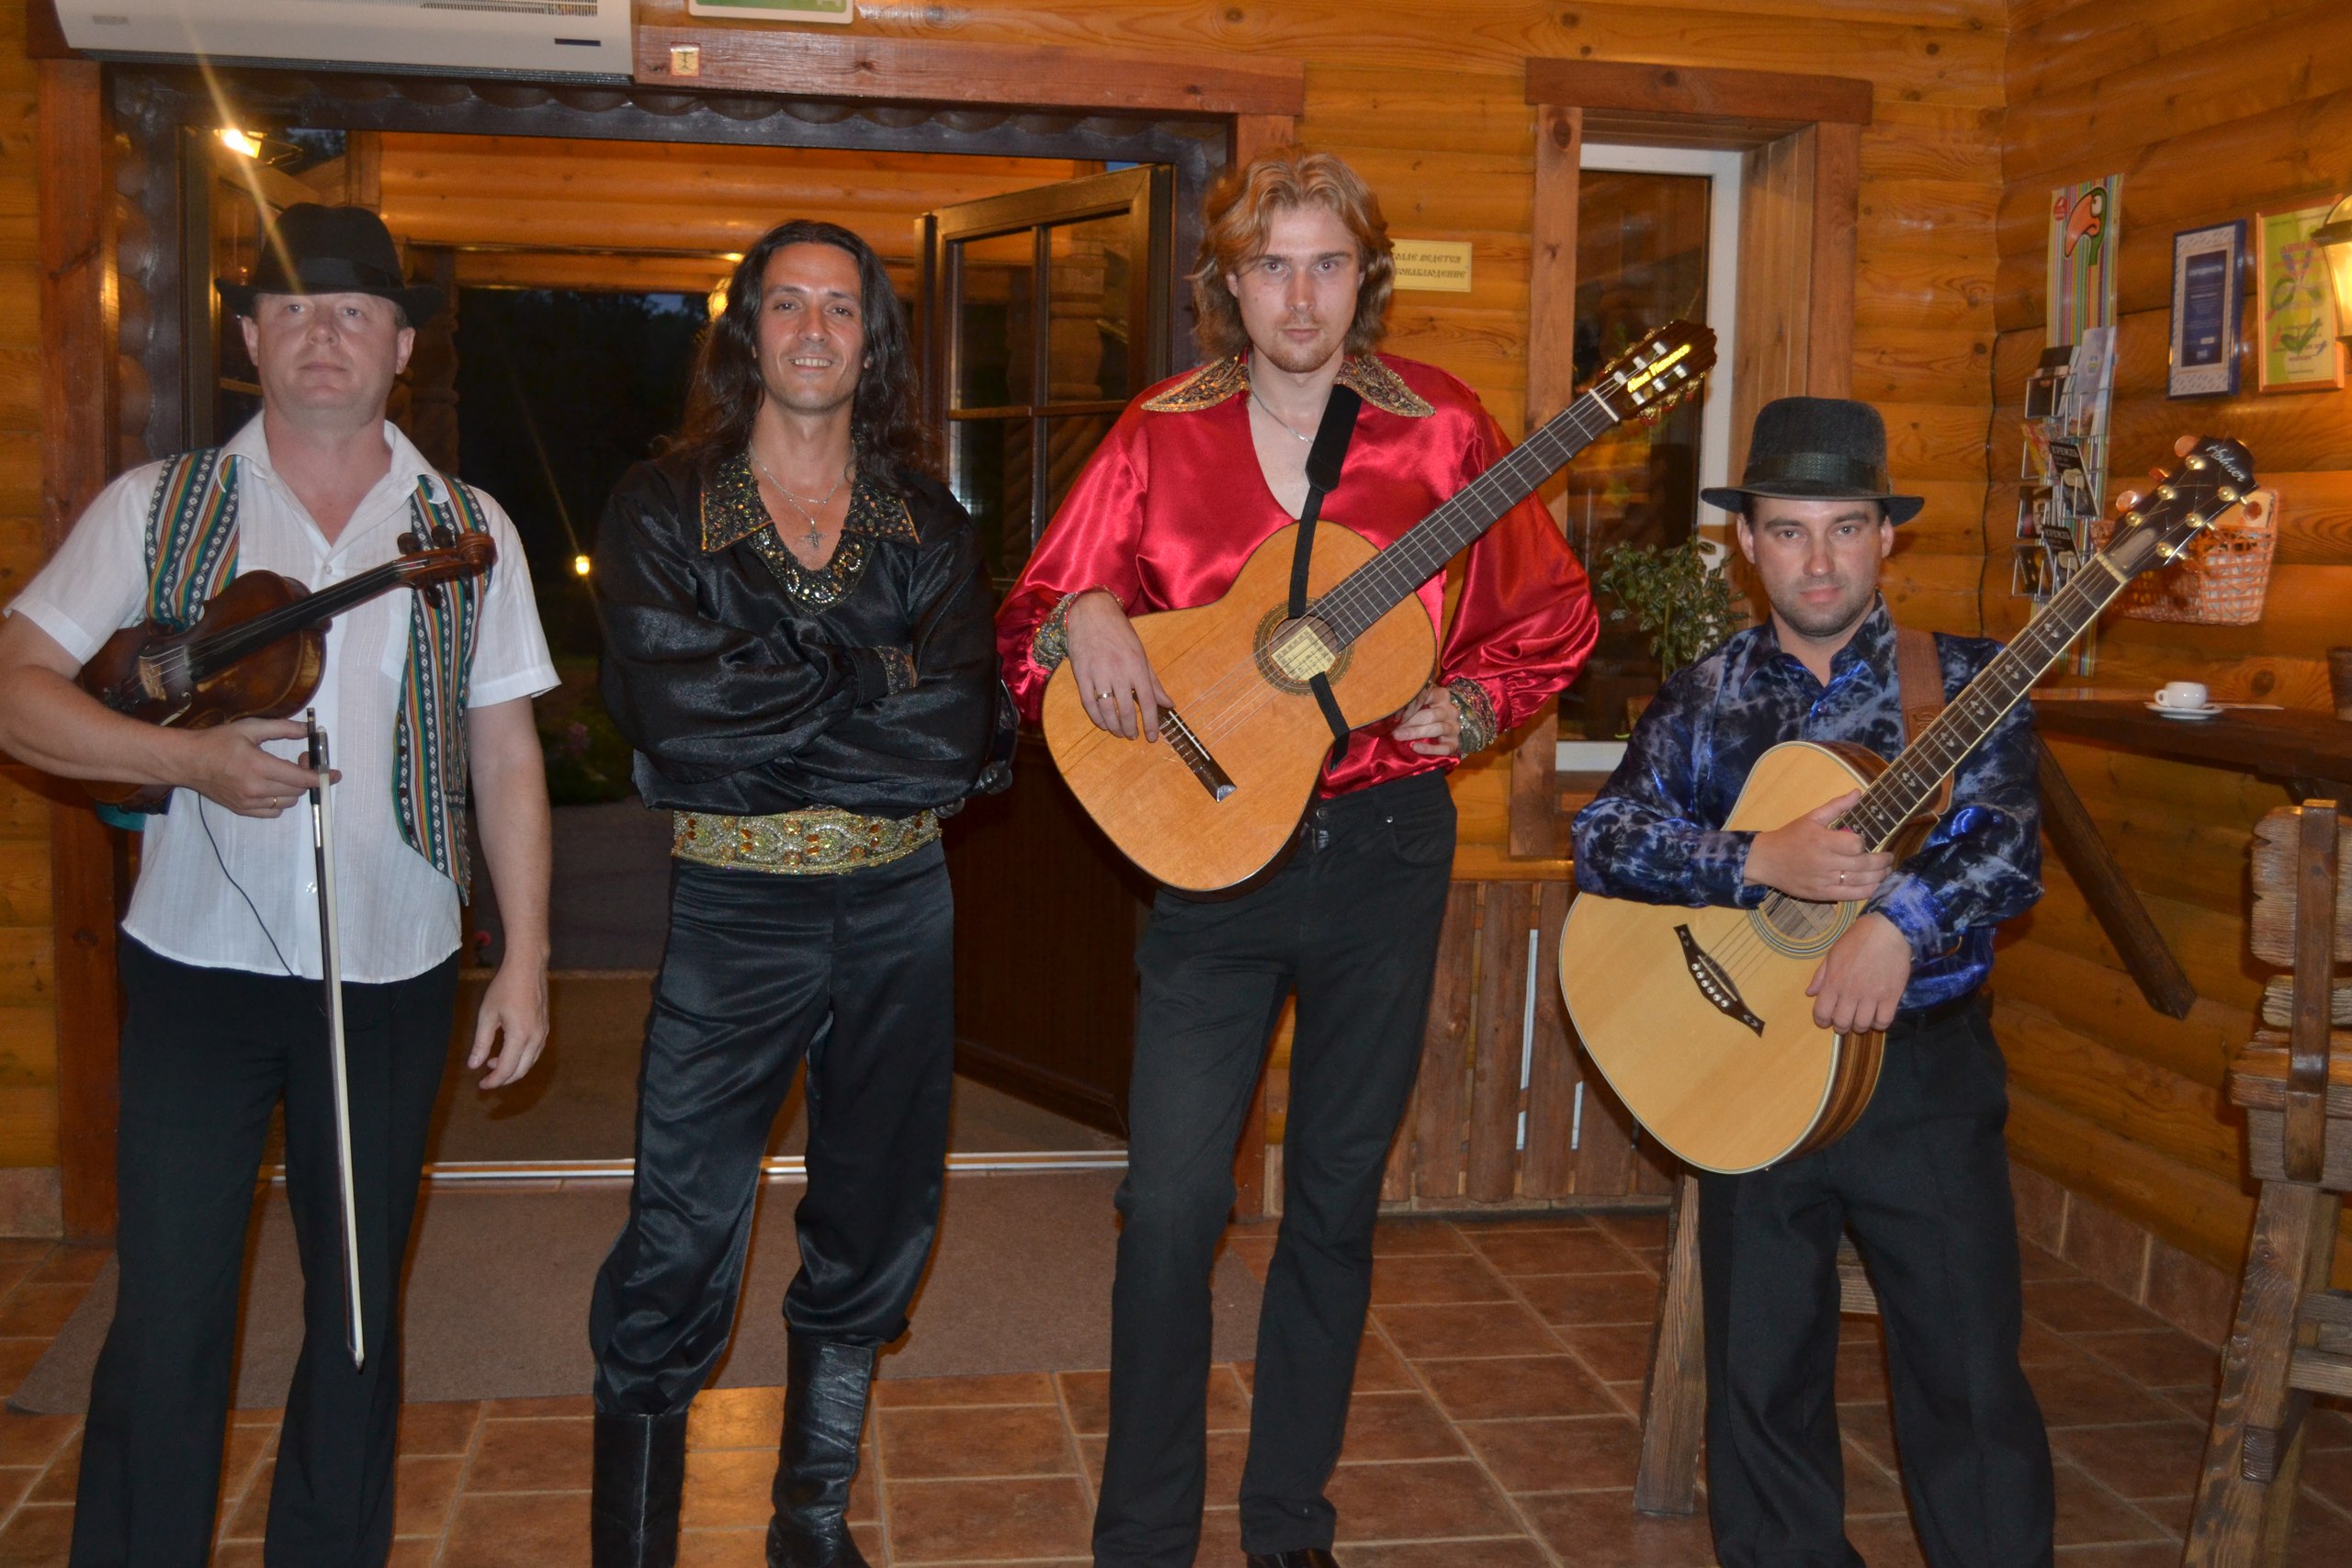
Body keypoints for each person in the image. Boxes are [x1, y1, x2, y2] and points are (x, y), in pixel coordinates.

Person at [997, 148, 1596, 1568]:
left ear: (1364, 278)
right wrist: (1083, 614)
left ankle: (1289, 1522)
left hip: (1385, 848)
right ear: (1230, 283)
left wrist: (1478, 706)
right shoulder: (1158, 434)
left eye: (1329, 263)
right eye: (1273, 265)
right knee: (1170, 1203)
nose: (1302, 296)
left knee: (1334, 1196)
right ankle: (1144, 1535)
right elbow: (1033, 620)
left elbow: (1551, 615)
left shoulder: (1444, 432)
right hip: (1212, 860)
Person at [0, 203, 556, 1566]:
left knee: (357, 1316)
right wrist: (182, 759)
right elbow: (16, 688)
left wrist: (528, 958)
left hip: (394, 968)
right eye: (293, 307)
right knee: (169, 1309)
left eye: (356, 310)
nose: (324, 333)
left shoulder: (466, 526)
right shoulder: (158, 503)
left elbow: (504, 749)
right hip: (196, 969)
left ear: (401, 346)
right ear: (250, 337)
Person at [586, 219, 1007, 1568]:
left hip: (901, 911)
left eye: (840, 306)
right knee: (677, 1236)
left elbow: (955, 740)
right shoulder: (662, 508)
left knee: (876, 1219)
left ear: (871, 340)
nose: (814, 329)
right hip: (734, 910)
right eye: (787, 304)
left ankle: (808, 1528)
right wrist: (874, 681)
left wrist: (772, 693)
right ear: (746, 332)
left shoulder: (930, 523)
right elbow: (679, 722)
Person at [1571, 396, 2054, 1568]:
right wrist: (1754, 861)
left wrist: (1898, 926)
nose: (1819, 560)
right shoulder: (1704, 695)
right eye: (1789, 530)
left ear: (1887, 535)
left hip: (1919, 1077)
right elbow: (1603, 839)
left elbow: (2006, 848)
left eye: (1845, 528)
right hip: (1746, 1057)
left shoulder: (1966, 683)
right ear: (1748, 543)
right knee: (1760, 1378)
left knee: (1966, 1375)